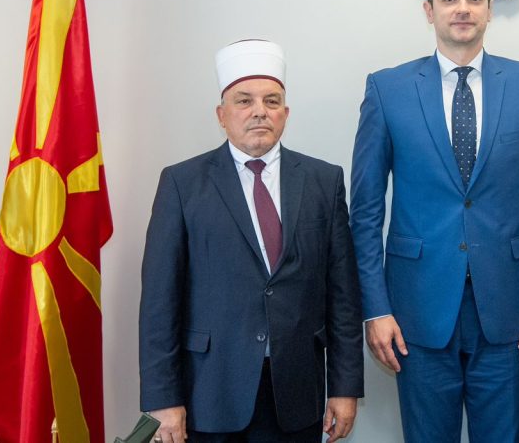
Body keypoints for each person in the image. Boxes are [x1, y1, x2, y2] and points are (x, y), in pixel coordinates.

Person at [349, 0, 519, 442]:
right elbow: (364, 214)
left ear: (490, 9)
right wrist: (376, 309)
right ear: (429, 10)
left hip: (509, 312)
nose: (463, 9)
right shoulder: (387, 90)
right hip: (416, 312)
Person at [139, 39, 363, 443]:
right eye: (244, 101)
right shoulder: (182, 184)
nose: (260, 110)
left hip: (297, 392)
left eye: (271, 101)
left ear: (285, 114)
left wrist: (345, 388)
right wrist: (163, 399)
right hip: (210, 393)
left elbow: (343, 296)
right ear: (221, 115)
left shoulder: (323, 181)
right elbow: (159, 301)